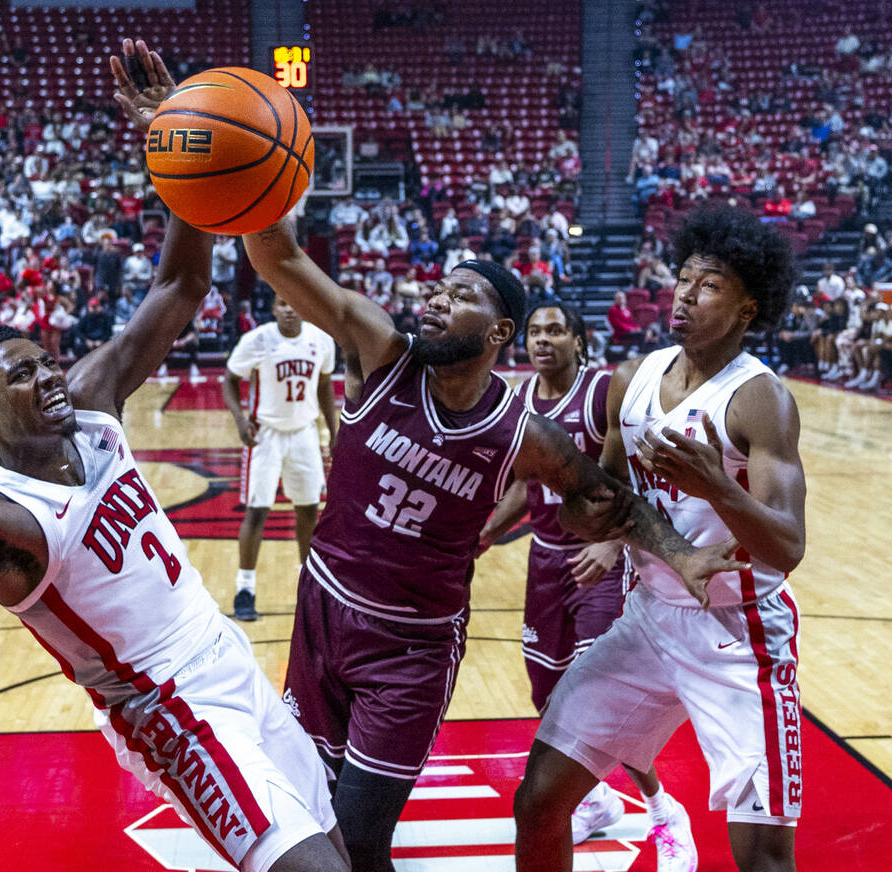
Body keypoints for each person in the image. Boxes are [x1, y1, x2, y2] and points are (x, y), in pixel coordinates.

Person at [0, 40, 349, 872]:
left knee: (339, 852)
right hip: (169, 710)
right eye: (20, 376)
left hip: (228, 658)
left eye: (44, 361)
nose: (47, 376)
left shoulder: (92, 405)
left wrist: (175, 144)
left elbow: (180, 288)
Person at [241, 217, 744, 871]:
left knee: (361, 840)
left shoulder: (522, 434)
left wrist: (682, 555)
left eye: (460, 294)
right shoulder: (381, 351)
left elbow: (603, 497)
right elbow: (278, 258)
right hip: (322, 617)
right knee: (313, 819)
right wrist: (242, 192)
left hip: (410, 649)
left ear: (499, 331)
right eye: (438, 289)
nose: (437, 299)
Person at [514, 207, 805, 872]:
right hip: (648, 619)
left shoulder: (759, 399)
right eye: (683, 279)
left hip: (739, 633)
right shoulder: (634, 378)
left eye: (709, 285)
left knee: (764, 856)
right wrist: (585, 518)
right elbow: (605, 500)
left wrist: (719, 488)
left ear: (747, 307)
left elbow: (788, 546)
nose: (685, 295)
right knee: (539, 801)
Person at [478, 303, 693, 860]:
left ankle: (663, 811)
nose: (542, 340)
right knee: (548, 693)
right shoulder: (521, 400)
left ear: (578, 340)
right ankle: (596, 802)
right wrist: (486, 532)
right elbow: (525, 484)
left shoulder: (602, 393)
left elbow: (635, 476)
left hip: (601, 562)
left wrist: (613, 541)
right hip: (546, 561)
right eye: (534, 332)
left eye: (555, 330)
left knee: (604, 700)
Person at [222, 294, 338, 621]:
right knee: (257, 511)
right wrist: (240, 420)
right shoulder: (257, 340)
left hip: (304, 433)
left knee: (308, 510)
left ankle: (308, 586)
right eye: (282, 304)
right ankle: (245, 588)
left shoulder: (321, 340)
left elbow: (324, 384)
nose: (289, 309)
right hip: (266, 434)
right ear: (273, 309)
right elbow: (230, 380)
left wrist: (333, 430)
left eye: (294, 303)